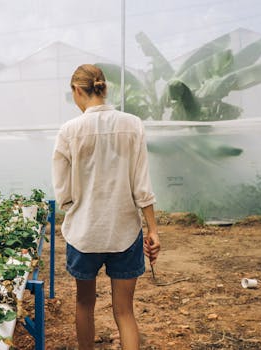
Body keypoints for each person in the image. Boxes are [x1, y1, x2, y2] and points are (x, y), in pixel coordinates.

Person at [52, 64, 161, 350]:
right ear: (103, 88)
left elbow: (62, 193)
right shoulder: (133, 124)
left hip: (84, 234)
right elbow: (142, 185)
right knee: (125, 312)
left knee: (85, 304)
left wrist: (77, 204)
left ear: (77, 90)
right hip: (124, 232)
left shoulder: (69, 131)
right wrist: (153, 230)